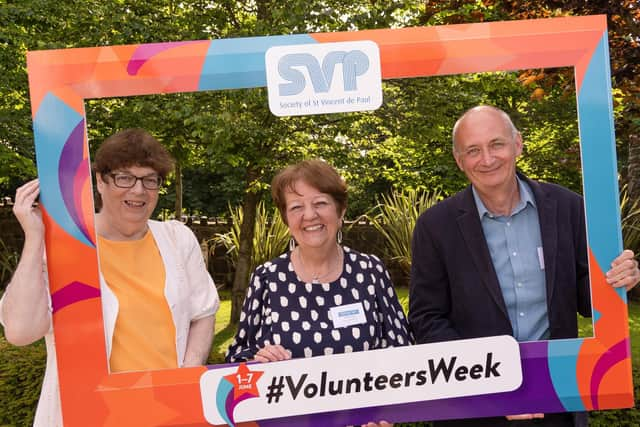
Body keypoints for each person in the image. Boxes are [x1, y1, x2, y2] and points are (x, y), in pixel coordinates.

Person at [409, 105, 640, 427]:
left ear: (517, 144)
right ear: (459, 160)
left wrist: (618, 279)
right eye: (473, 150)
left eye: (496, 144)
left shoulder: (569, 208)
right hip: (476, 407)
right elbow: (426, 318)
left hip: (556, 398)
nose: (487, 159)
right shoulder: (435, 226)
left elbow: (588, 298)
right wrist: (488, 382)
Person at [0, 128, 220, 427]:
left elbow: (204, 311)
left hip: (167, 414)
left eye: (149, 180)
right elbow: (20, 331)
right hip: (90, 415)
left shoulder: (177, 238)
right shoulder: (66, 247)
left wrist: (187, 375)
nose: (138, 191)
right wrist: (36, 238)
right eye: (124, 178)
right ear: (100, 181)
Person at [225, 160, 411, 426]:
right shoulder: (267, 278)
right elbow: (236, 360)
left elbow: (402, 353)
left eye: (320, 203)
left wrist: (386, 416)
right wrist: (257, 359)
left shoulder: (370, 271)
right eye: (297, 207)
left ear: (340, 209)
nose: (309, 215)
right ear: (286, 218)